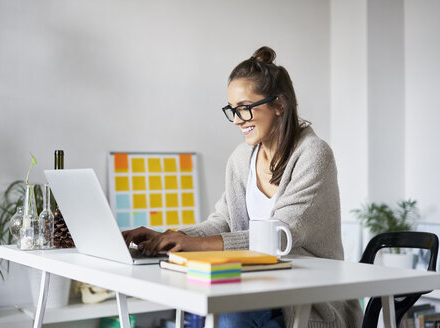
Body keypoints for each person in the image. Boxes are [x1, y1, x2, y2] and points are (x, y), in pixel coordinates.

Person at [122, 46, 363, 327]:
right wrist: (170, 237)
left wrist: (194, 244)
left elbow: (277, 238)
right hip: (253, 287)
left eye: (245, 108)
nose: (237, 120)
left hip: (304, 303)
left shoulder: (313, 154)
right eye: (232, 110)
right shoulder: (241, 158)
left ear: (279, 104)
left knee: (228, 315)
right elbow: (223, 222)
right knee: (195, 309)